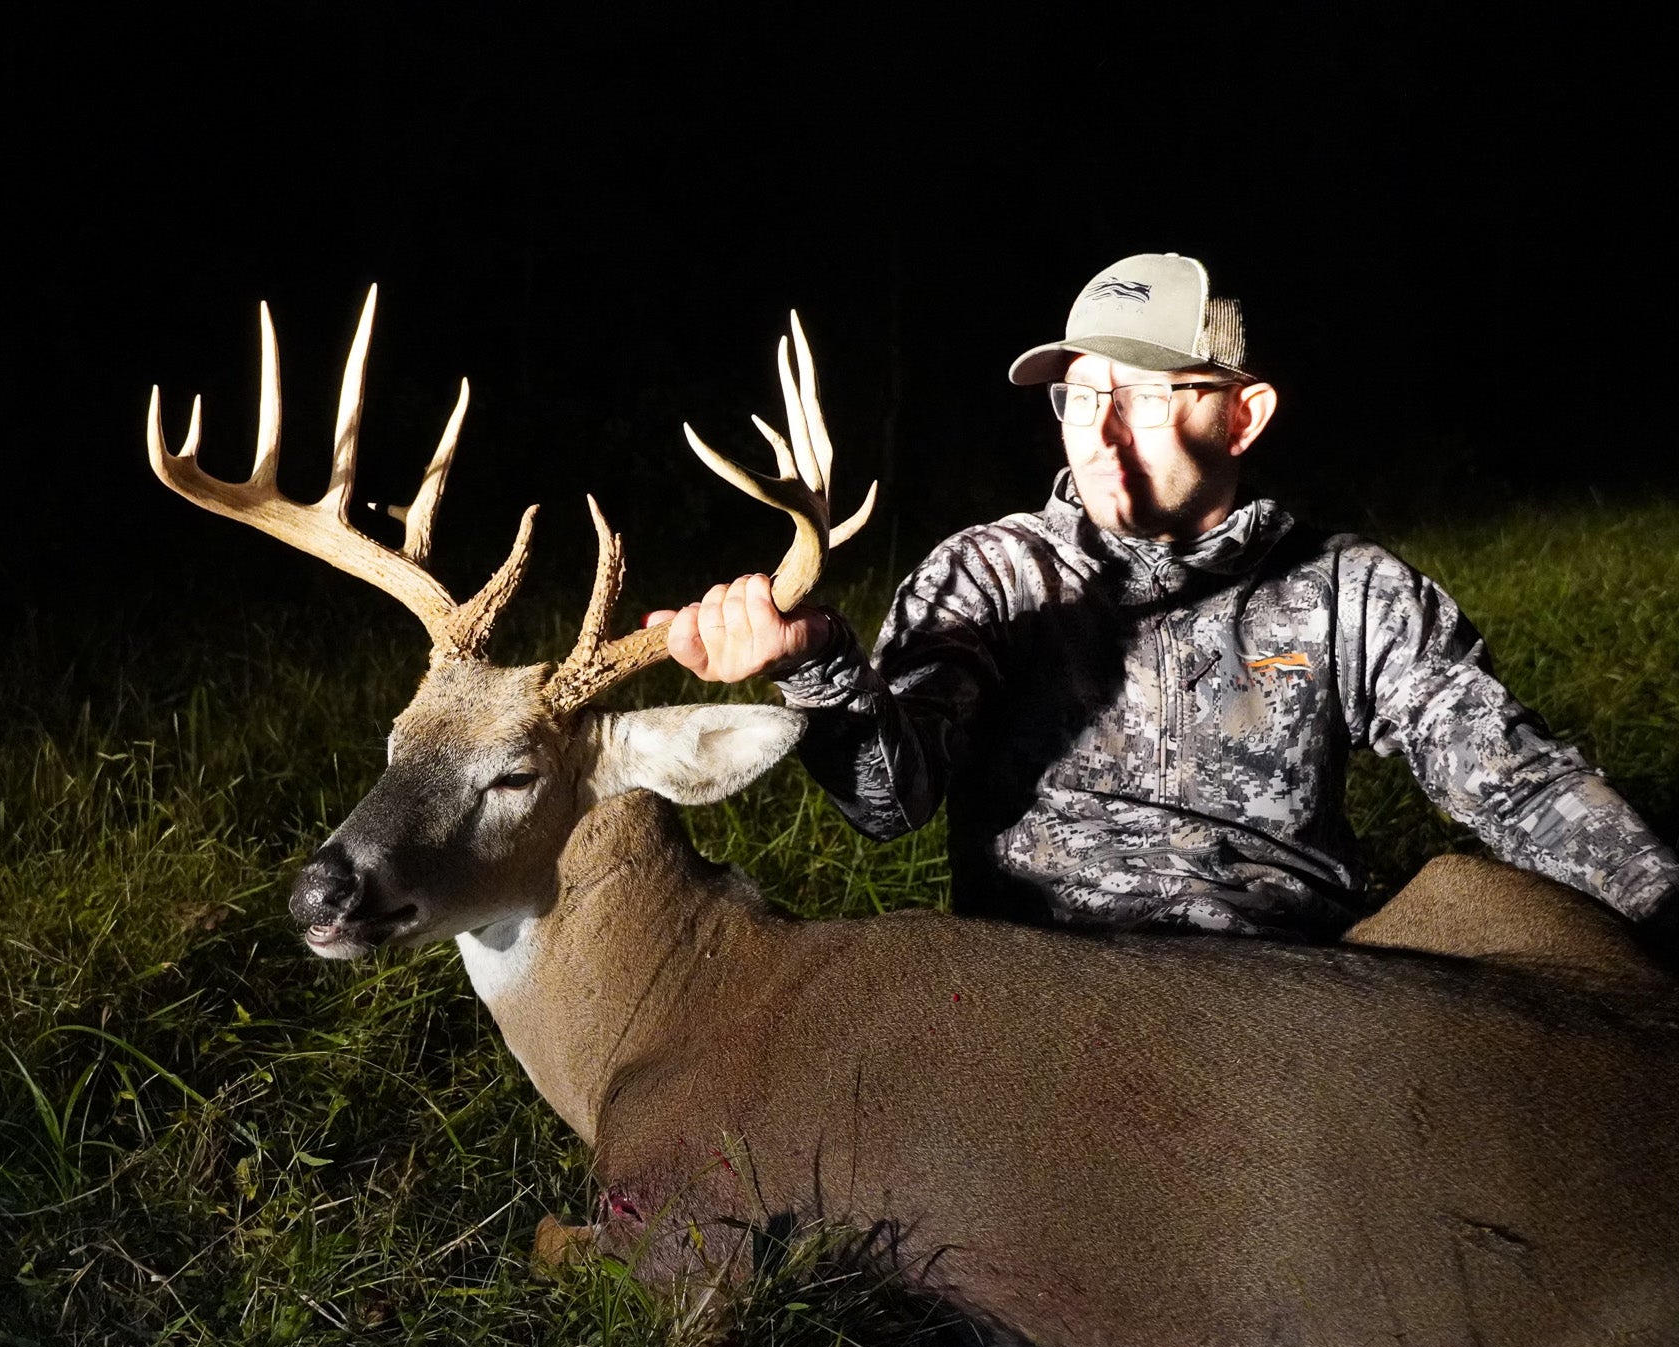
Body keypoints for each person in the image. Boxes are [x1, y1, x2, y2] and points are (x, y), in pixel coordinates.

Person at [652, 252, 1678, 939]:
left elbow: (1519, 784)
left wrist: (1657, 907)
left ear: (1240, 417)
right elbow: (889, 802)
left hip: (1286, 992)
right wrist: (817, 667)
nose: (1095, 433)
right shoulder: (990, 572)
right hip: (1042, 988)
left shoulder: (1350, 595)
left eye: (1138, 398)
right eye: (1078, 395)